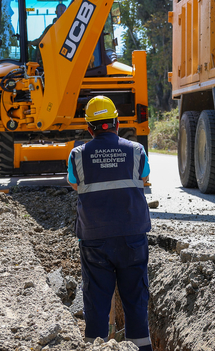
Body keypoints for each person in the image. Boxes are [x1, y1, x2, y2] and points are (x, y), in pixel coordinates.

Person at [66, 96, 152, 349]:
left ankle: (95, 345)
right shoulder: (136, 150)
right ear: (116, 122)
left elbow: (75, 184)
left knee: (96, 300)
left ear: (89, 127)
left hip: (95, 238)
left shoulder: (77, 154)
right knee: (136, 298)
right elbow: (144, 177)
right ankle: (141, 347)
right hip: (132, 236)